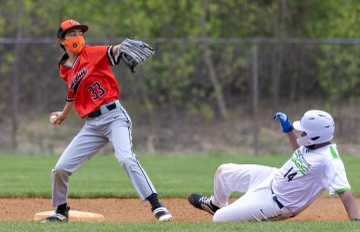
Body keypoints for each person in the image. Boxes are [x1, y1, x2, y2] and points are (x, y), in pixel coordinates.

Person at [41, 19, 172, 223]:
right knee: (60, 168)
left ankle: (157, 205)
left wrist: (122, 47)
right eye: (71, 33)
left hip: (114, 117)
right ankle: (61, 210)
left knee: (126, 158)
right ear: (61, 41)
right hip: (91, 125)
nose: (77, 36)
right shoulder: (64, 68)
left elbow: (113, 51)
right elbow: (73, 94)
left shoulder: (91, 53)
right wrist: (65, 114)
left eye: (80, 32)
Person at [187, 109, 359, 222]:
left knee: (219, 219)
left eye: (304, 131)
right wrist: (289, 130)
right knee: (223, 172)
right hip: (271, 178)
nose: (302, 133)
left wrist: (355, 222)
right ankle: (216, 203)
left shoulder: (330, 160)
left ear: (316, 135)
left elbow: (345, 192)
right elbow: (300, 152)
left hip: (277, 203)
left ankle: (218, 211)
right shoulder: (315, 145)